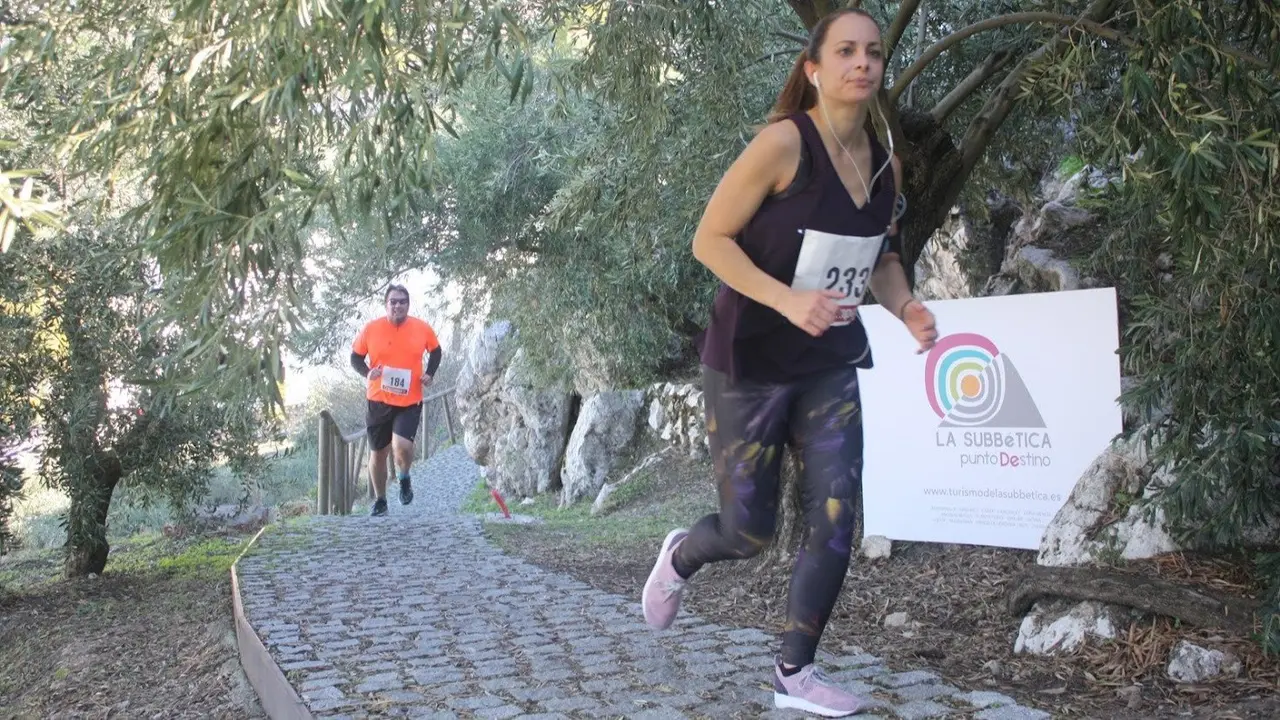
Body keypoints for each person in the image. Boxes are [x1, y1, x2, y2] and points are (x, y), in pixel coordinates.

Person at [640, 9, 938, 718]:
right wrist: (786, 299)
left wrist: (906, 309)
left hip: (828, 360)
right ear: (814, 69)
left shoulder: (887, 163)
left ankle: (793, 673)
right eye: (845, 51)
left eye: (872, 52)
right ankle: (682, 555)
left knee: (836, 514)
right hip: (750, 359)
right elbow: (708, 240)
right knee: (748, 530)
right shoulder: (782, 144)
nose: (861, 63)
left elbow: (883, 259)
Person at [350, 284, 443, 517]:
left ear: (408, 305)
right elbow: (355, 357)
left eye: (402, 301)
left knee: (402, 447)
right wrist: (367, 372)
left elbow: (436, 351)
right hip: (378, 399)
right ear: (386, 304)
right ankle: (381, 500)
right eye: (393, 301)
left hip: (409, 400)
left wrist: (430, 373)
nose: (398, 305)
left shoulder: (422, 328)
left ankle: (404, 477)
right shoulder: (371, 329)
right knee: (378, 454)